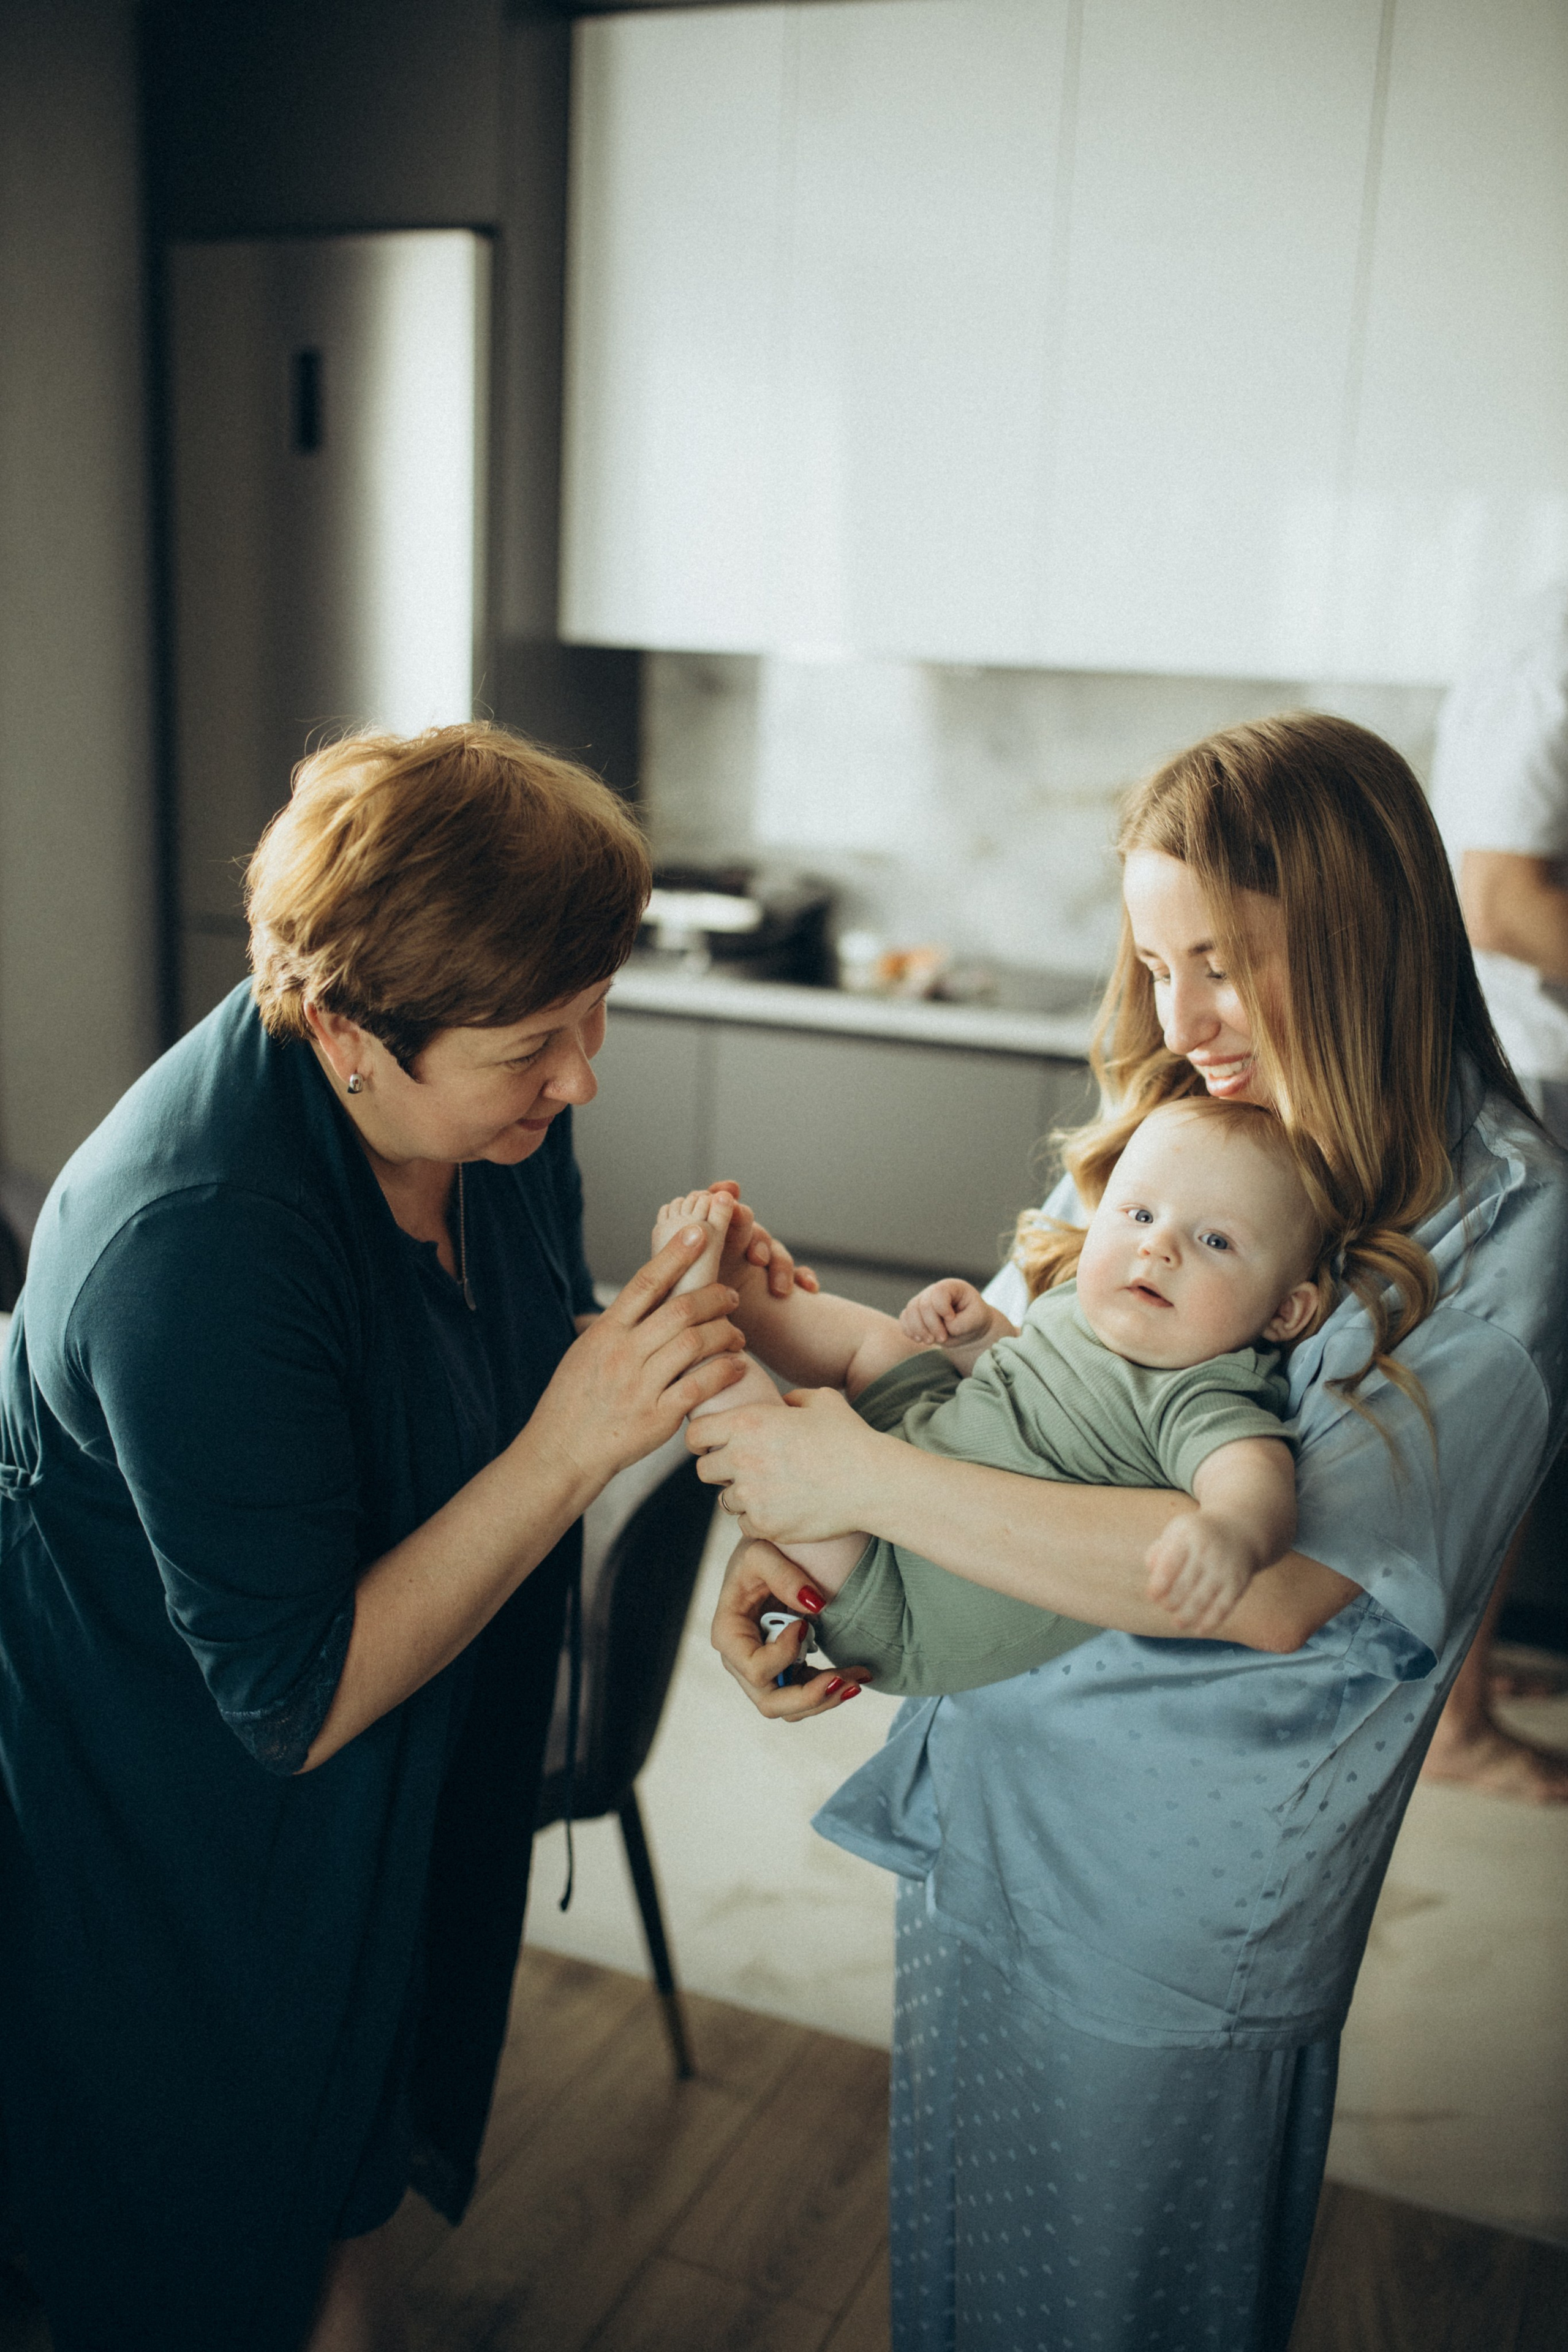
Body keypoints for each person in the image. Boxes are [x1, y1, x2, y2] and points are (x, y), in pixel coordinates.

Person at [695, 712, 1568, 2352]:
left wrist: (857, 1487)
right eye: (1158, 961)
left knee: (1121, 2310)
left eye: (1227, 963)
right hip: (992, 1803)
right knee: (967, 2285)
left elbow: (1270, 1596)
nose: (1185, 1017)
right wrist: (805, 1539)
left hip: (1175, 1907)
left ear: (1368, 932)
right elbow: (997, 1395)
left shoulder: (1507, 1223)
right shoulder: (1182, 1111)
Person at [0, 723, 802, 2352]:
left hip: (405, 1738)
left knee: (355, 2150)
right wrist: (582, 1433)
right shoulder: (195, 1246)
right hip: (170, 1803)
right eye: (536, 1048)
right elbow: (291, 1698)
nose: (584, 1077)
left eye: (596, 1016)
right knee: (187, 2222)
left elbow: (484, 1350)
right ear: (344, 1033)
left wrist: (684, 1334)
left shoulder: (479, 1112)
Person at [654, 1093, 1334, 1691]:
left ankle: (697, 1328)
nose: (1156, 1248)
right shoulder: (1092, 1303)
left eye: (1214, 1239)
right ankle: (748, 1297)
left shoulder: (1203, 1389)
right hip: (928, 1449)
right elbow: (1027, 1381)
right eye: (1139, 1213)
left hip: (908, 1593)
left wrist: (1232, 1531)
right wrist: (979, 1338)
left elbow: (1252, 1476)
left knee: (762, 1417)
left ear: (1285, 1312)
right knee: (890, 1345)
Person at [1427, 587, 1568, 1799]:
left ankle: (1459, 1677)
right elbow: (1499, 898)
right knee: (1507, 1402)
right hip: (1536, 1073)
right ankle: (1453, 1723)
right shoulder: (1552, 646)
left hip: (1524, 1067)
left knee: (1522, 1395)